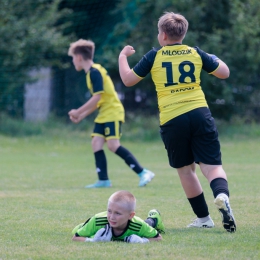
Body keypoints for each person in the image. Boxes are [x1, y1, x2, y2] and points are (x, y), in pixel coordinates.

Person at [118, 12, 236, 232]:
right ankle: (221, 196)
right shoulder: (195, 53)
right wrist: (212, 57)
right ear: (184, 33)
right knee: (212, 167)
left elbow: (127, 79)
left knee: (185, 170)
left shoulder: (155, 56)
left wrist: (123, 56)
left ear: (162, 35)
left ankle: (203, 219)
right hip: (200, 113)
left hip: (173, 118)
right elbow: (224, 73)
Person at [67, 39, 155, 188]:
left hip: (113, 111)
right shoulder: (91, 73)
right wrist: (81, 116)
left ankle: (143, 172)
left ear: (79, 57)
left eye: (73, 57)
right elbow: (98, 101)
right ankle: (103, 180)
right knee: (96, 142)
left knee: (113, 145)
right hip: (105, 112)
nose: (73, 61)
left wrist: (78, 111)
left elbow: (97, 98)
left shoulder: (94, 72)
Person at [71, 190, 165, 243]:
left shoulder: (138, 225)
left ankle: (154, 218)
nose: (111, 217)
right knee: (75, 230)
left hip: (136, 222)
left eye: (117, 213)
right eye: (109, 211)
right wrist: (92, 240)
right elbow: (76, 237)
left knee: (146, 224)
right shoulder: (97, 221)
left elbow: (158, 238)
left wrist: (142, 241)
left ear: (130, 215)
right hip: (90, 225)